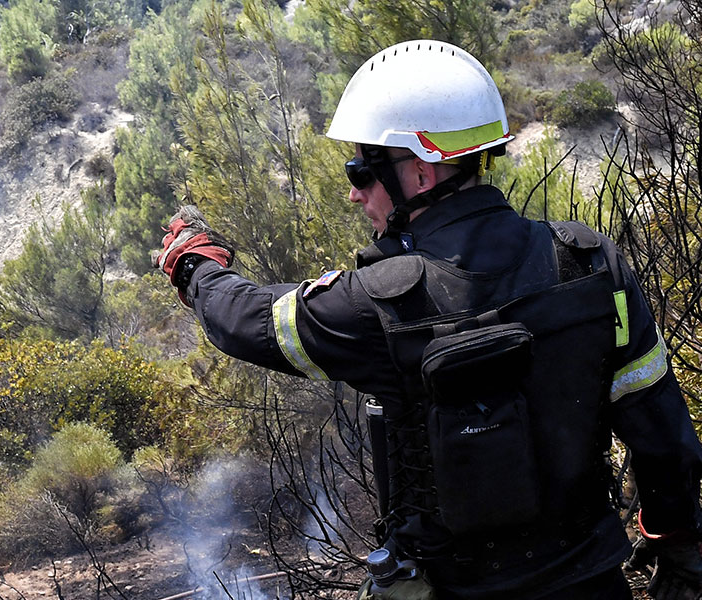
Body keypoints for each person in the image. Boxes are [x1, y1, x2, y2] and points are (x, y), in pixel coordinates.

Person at [156, 40, 702, 599]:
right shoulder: (590, 261)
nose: (353, 192)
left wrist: (195, 265)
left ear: (419, 173)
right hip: (590, 581)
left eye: (362, 170)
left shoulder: (382, 303)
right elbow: (663, 436)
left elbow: (244, 322)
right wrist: (678, 542)